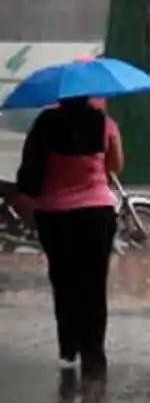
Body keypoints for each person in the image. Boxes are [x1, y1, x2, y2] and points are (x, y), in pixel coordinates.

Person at [15, 96, 123, 378]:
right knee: (94, 283)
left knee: (63, 279)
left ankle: (68, 345)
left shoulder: (45, 123)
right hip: (96, 212)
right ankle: (94, 350)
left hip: (55, 214)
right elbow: (116, 165)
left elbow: (30, 166)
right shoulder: (105, 125)